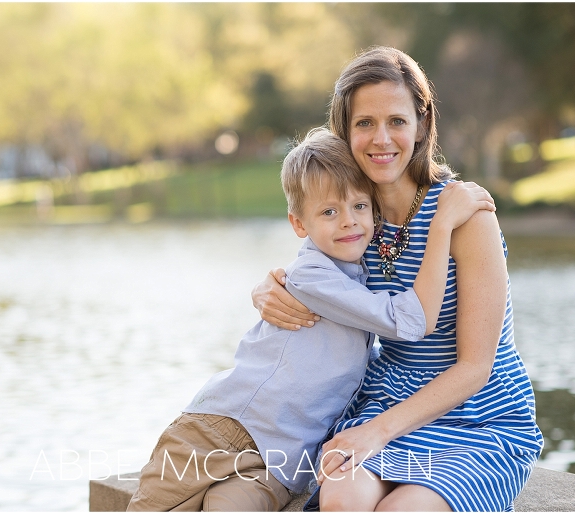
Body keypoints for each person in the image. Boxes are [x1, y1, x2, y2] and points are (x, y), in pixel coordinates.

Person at [127, 128, 494, 512]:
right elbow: (413, 320)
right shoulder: (312, 275)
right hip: (221, 430)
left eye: (359, 206)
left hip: (280, 463)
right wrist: (442, 225)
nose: (349, 222)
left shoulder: (359, 271)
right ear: (299, 225)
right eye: (329, 212)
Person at [252, 46, 544, 512]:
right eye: (364, 123)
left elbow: (475, 368)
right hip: (387, 396)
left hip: (475, 416)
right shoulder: (354, 217)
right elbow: (313, 275)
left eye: (397, 121)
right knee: (342, 499)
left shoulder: (465, 216)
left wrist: (376, 432)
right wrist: (267, 286)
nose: (381, 138)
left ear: (422, 125)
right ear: (344, 131)